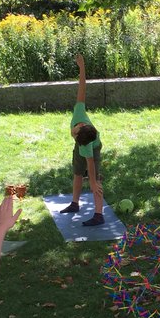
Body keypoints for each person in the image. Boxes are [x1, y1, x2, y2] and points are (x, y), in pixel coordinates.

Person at [58, 54, 104, 226]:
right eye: (75, 133)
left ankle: (99, 215)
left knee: (96, 181)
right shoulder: (79, 112)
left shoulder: (86, 145)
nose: (73, 133)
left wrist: (92, 180)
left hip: (94, 148)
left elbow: (90, 163)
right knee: (77, 173)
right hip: (85, 144)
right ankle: (75, 204)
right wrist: (82, 67)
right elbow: (82, 87)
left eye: (74, 136)